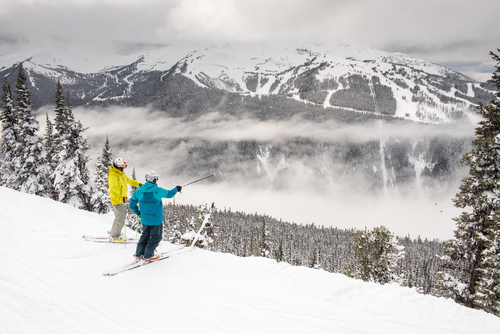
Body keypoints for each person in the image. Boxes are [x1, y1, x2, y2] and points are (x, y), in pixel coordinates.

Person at [129, 171, 182, 262]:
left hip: (144, 219)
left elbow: (132, 204)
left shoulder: (139, 191)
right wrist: (176, 189)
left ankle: (139, 254)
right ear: (154, 180)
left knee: (145, 235)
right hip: (156, 219)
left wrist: (138, 212)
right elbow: (169, 194)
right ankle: (148, 255)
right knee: (156, 237)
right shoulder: (158, 190)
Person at [108, 158, 142, 241]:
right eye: (123, 167)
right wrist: (120, 198)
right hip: (117, 200)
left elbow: (128, 180)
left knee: (120, 218)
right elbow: (113, 190)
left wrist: (138, 184)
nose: (124, 168)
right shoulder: (113, 175)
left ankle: (115, 232)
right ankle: (114, 236)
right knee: (120, 219)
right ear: (119, 167)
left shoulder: (120, 174)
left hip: (122, 199)